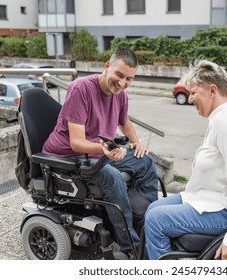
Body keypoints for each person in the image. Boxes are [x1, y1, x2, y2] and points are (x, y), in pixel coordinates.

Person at [144, 59, 227, 260]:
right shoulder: (219, 119)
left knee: (157, 220)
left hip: (225, 210)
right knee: (153, 207)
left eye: (193, 93)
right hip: (211, 199)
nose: (190, 99)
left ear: (212, 90)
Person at [42, 48, 159, 254]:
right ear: (107, 66)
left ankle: (145, 221)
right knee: (112, 177)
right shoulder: (81, 88)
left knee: (145, 161)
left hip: (99, 153)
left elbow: (124, 122)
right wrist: (104, 150)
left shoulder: (120, 95)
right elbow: (77, 142)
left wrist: (136, 142)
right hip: (67, 157)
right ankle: (130, 245)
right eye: (119, 75)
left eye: (129, 79)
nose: (122, 83)